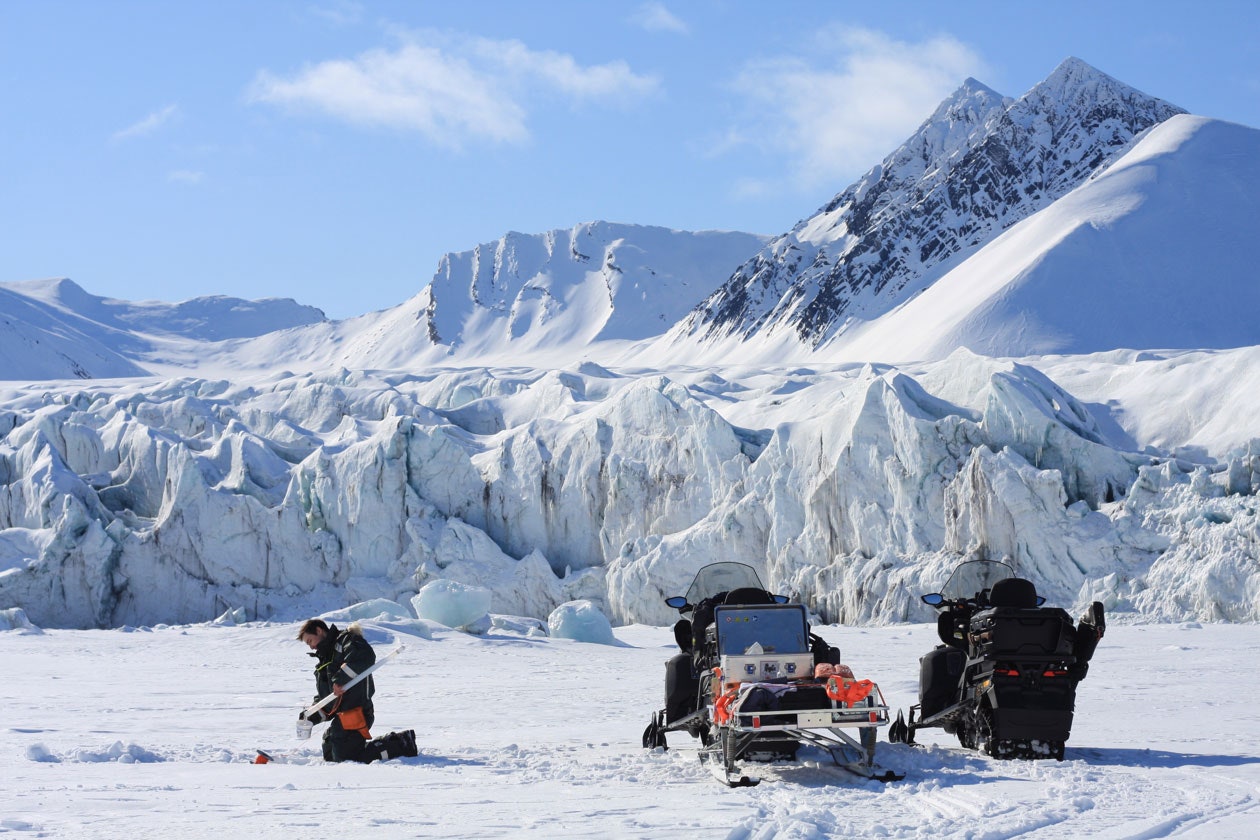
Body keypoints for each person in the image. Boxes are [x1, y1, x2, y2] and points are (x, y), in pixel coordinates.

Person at [297, 618, 376, 763]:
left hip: (357, 712)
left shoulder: (346, 640)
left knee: (344, 755)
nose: (311, 647)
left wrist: (340, 679)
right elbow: (328, 699)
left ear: (319, 631)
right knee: (330, 750)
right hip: (342, 716)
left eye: (310, 641)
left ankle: (400, 744)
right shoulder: (326, 658)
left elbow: (365, 657)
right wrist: (310, 716)